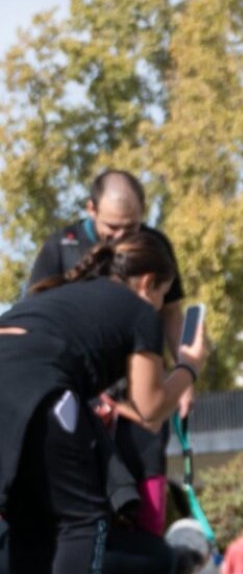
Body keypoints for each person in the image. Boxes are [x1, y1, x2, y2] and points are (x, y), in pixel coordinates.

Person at [0, 231, 205, 572]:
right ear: (147, 283)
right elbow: (150, 409)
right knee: (83, 522)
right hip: (37, 386)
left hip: (18, 380)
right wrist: (189, 366)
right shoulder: (139, 310)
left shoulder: (60, 296)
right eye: (162, 295)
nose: (159, 305)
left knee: (27, 520)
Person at [24, 169, 192, 533]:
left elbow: (173, 314)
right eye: (113, 228)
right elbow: (36, 315)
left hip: (139, 387)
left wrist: (183, 375)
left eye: (131, 228)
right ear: (91, 210)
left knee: (147, 476)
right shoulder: (60, 245)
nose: (122, 238)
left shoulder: (154, 247)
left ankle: (150, 550)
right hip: (81, 393)